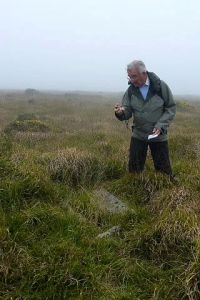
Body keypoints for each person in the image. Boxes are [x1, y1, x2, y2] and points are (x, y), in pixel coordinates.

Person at [114, 60, 176, 177]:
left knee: (164, 172)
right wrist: (120, 112)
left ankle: (166, 190)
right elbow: (127, 111)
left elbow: (171, 108)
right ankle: (134, 192)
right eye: (129, 77)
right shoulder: (131, 90)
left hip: (158, 135)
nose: (131, 80)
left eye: (134, 76)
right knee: (134, 171)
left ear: (144, 73)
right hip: (138, 135)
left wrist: (161, 125)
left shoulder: (160, 86)